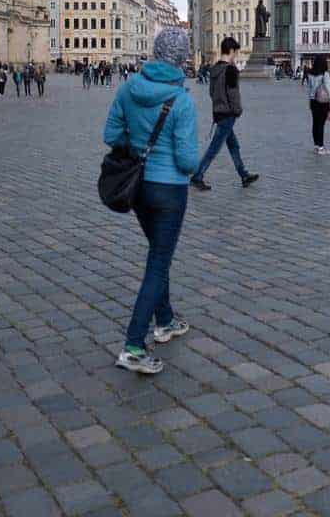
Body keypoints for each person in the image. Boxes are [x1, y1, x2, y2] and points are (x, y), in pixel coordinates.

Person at [104, 28, 198, 375]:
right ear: (181, 59)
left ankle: (166, 320)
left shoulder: (128, 89)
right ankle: (133, 345)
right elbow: (187, 161)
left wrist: (139, 145)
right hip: (170, 189)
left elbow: (111, 134)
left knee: (159, 254)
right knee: (158, 262)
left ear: (156, 53)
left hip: (138, 188)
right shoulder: (182, 100)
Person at [190, 37, 259, 191]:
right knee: (214, 148)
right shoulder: (230, 70)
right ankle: (197, 176)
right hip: (228, 114)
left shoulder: (214, 69)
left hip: (218, 112)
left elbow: (211, 92)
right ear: (231, 51)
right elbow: (233, 94)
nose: (236, 55)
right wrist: (237, 110)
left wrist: (219, 104)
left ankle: (244, 175)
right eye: (235, 52)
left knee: (233, 146)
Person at [305, 55, 330, 155]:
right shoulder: (325, 74)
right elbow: (328, 89)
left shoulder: (310, 74)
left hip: (313, 101)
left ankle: (316, 146)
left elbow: (309, 89)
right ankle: (321, 148)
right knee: (321, 124)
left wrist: (310, 101)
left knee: (315, 124)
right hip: (323, 102)